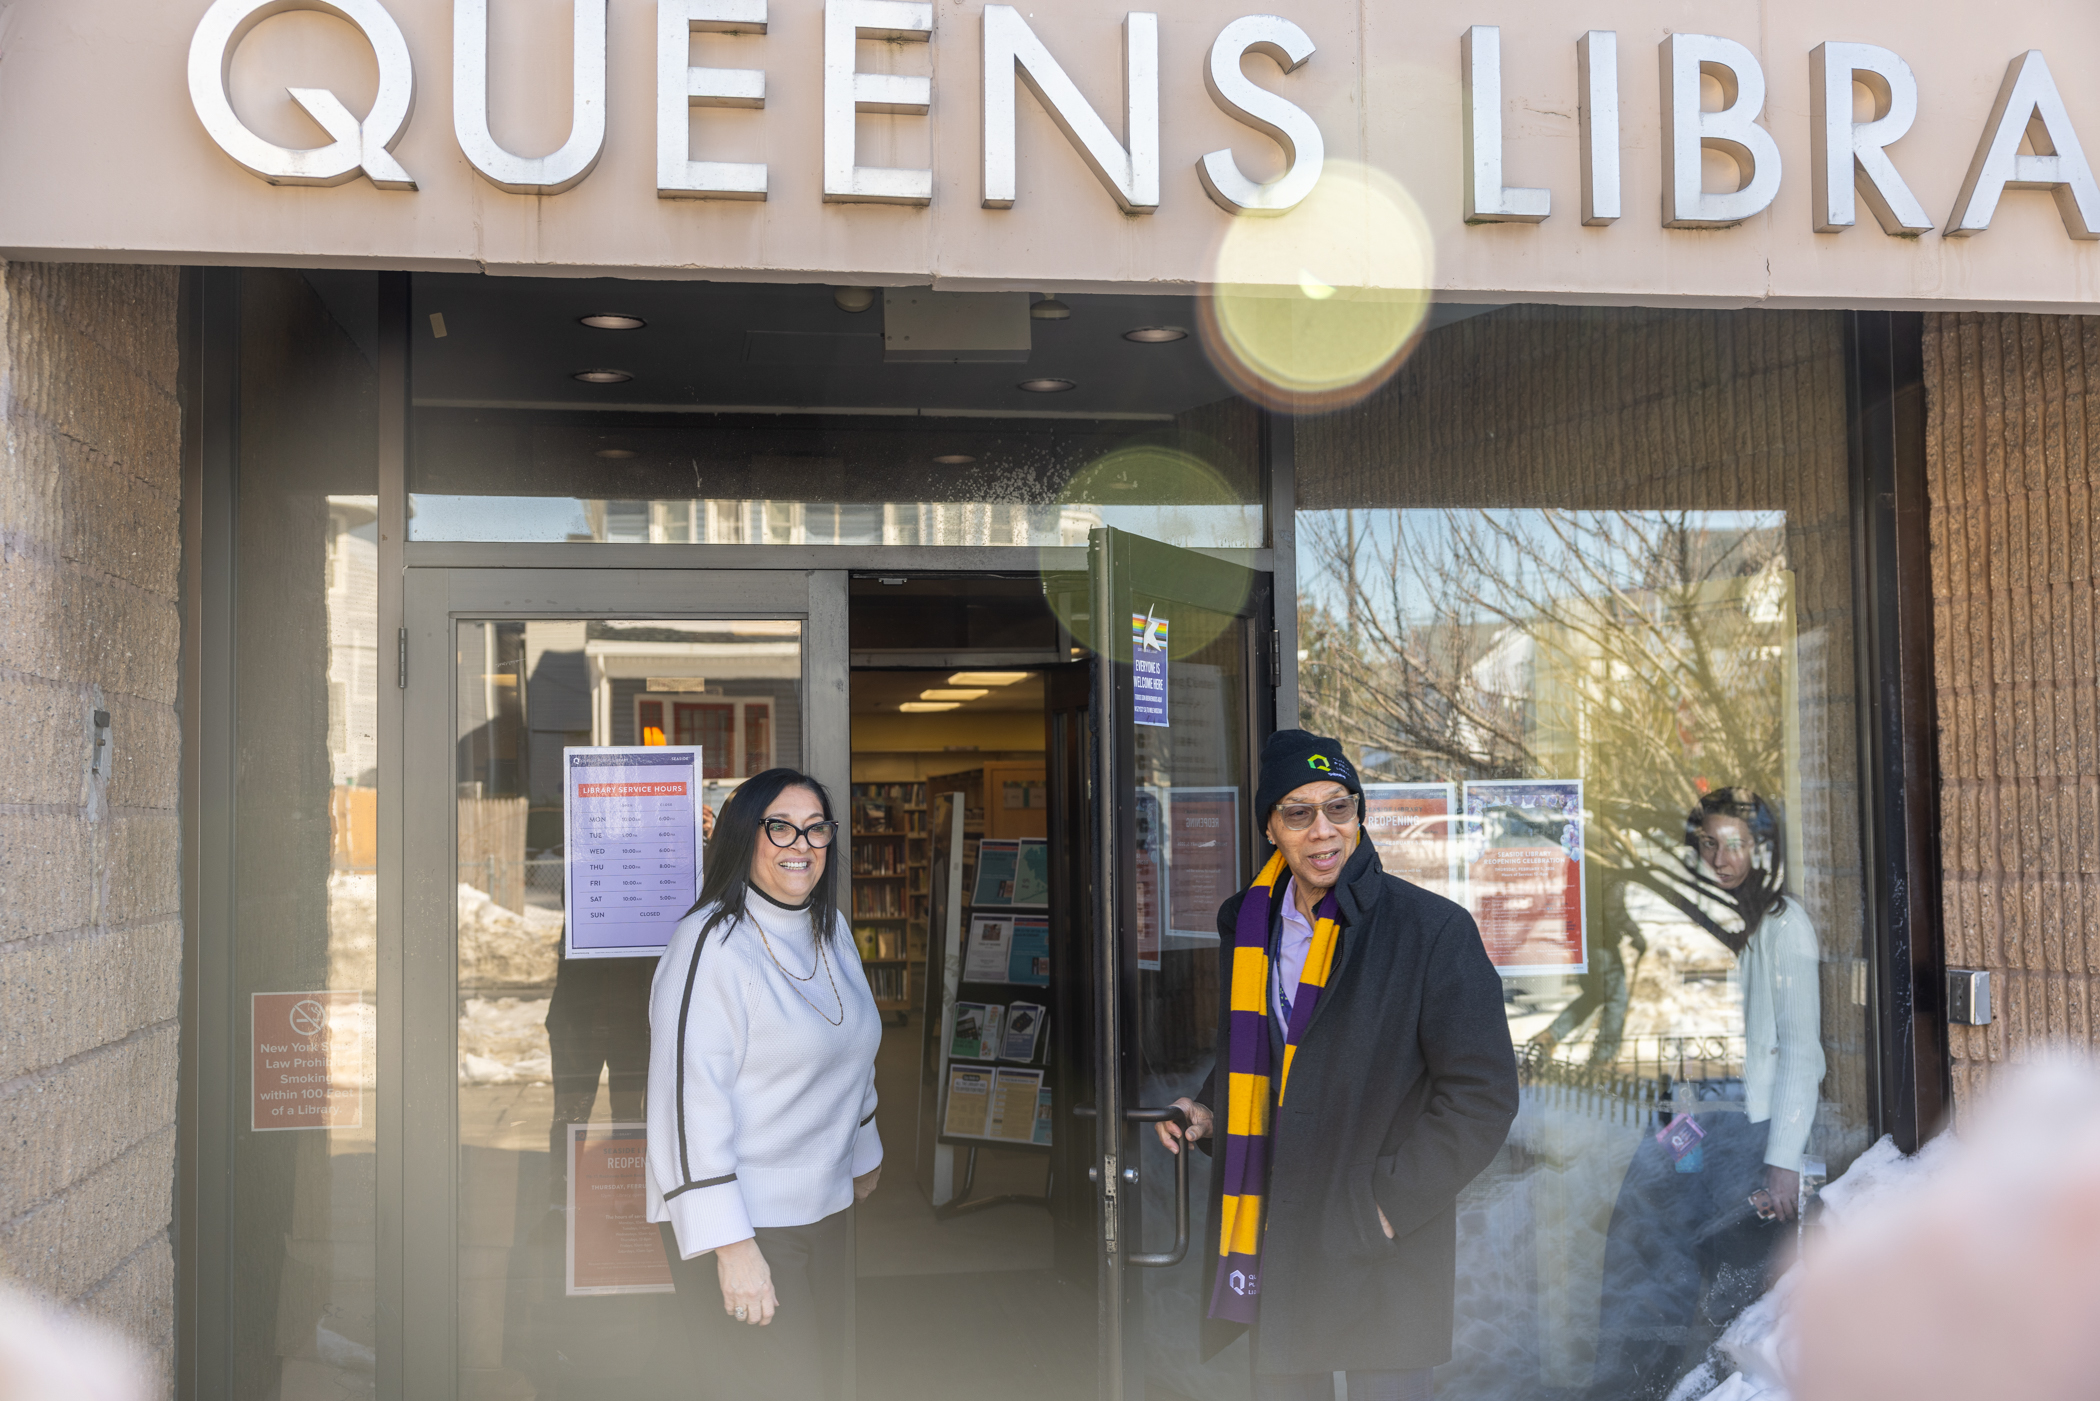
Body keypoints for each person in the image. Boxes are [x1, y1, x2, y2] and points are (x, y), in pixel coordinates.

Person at [1156, 730, 1519, 1401]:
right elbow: (1265, 1051)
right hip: (1283, 1237)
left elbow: (1483, 1094)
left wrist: (1385, 1206)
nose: (1324, 831)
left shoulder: (1432, 930)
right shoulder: (1249, 925)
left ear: (1359, 812)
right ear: (1271, 825)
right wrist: (1208, 1108)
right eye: (1300, 812)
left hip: (1382, 1249)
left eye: (1339, 807)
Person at [644, 769, 883, 1400]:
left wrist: (864, 1151)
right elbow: (684, 1104)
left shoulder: (831, 929)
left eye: (815, 828)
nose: (800, 844)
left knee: (828, 1381)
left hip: (823, 1209)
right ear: (744, 837)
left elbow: (854, 1048)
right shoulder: (709, 944)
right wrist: (732, 1247)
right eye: (780, 827)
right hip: (748, 1220)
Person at [1583, 786, 1825, 1401]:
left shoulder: (1782, 926)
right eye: (1708, 845)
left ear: (1763, 848)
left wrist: (1783, 1163)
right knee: (1642, 1260)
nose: (1720, 858)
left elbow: (1801, 1052)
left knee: (1732, 1295)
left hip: (1746, 1140)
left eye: (1734, 844)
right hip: (1693, 1123)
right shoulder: (1720, 919)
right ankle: (1634, 1388)